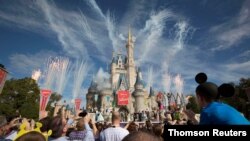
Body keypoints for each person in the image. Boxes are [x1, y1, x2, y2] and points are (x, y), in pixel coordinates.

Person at [186, 81, 250, 125]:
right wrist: (193, 118)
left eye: (196, 97)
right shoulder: (227, 107)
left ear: (200, 98)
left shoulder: (207, 111)